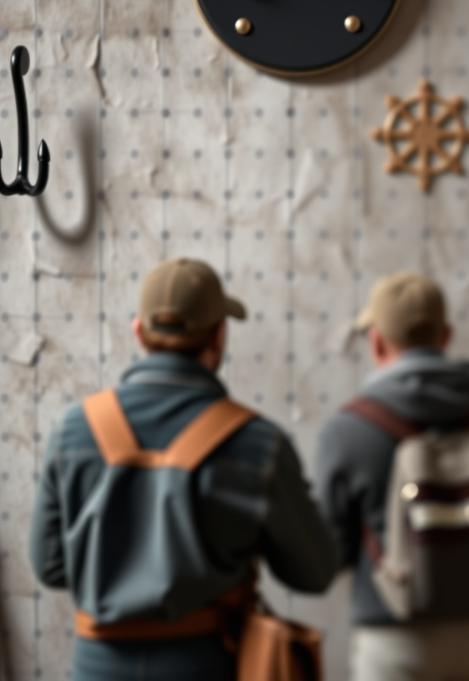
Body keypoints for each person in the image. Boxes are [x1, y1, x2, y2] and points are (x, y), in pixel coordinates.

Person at [29, 257, 337, 681]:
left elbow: (50, 567)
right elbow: (314, 572)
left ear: (139, 331)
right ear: (218, 336)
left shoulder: (72, 429)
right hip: (206, 664)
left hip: (97, 668)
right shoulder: (258, 443)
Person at [315, 271, 469, 681]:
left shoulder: (346, 430)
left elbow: (328, 560)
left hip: (393, 639)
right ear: (445, 336)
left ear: (375, 341)